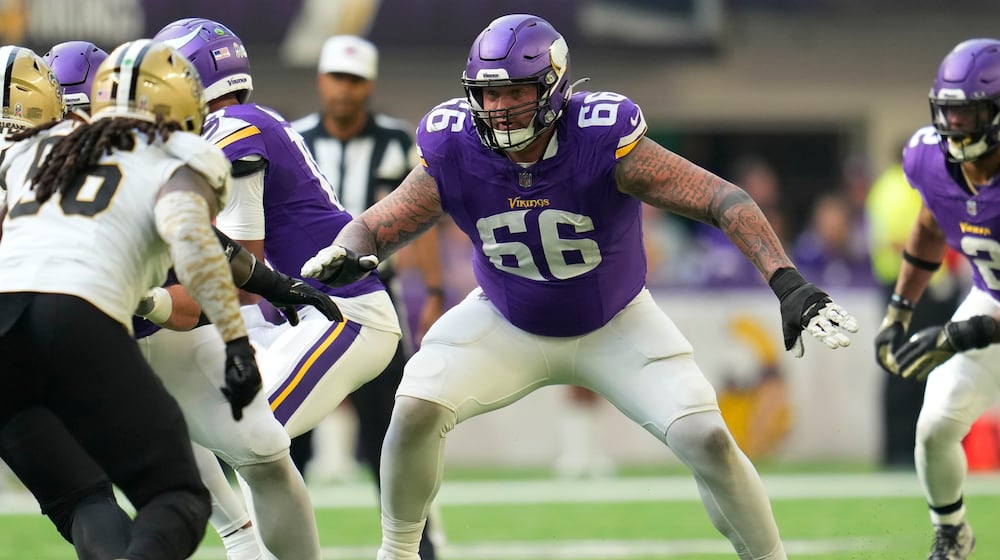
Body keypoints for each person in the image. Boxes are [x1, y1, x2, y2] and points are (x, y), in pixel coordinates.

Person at [302, 14, 859, 560]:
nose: (499, 108)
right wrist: (349, 249)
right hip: (505, 317)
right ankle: (398, 553)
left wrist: (788, 282)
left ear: (553, 87)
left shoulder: (599, 137)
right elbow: (379, 222)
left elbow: (722, 198)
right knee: (414, 407)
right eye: (489, 93)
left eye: (516, 91)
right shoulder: (455, 144)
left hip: (615, 320)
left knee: (708, 439)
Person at [43, 36, 345, 560]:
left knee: (261, 448)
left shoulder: (135, 160)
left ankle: (251, 545)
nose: (79, 129)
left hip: (141, 328)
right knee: (107, 493)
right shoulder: (30, 169)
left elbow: (198, 256)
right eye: (69, 117)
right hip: (74, 343)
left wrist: (266, 285)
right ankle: (238, 539)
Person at [153, 16, 404, 556]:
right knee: (182, 410)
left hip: (343, 313)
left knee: (253, 435)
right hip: (290, 316)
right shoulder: (230, 127)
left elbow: (242, 259)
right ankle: (244, 545)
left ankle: (251, 548)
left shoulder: (235, 126)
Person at [0, 40, 255, 560]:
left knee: (82, 498)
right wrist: (236, 341)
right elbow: (190, 235)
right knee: (179, 498)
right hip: (74, 310)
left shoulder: (39, 146)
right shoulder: (181, 154)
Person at [291, 34, 444, 558]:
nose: (345, 89)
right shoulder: (296, 138)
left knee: (392, 434)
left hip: (379, 302)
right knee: (287, 438)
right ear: (322, 80)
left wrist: (435, 291)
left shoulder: (397, 141)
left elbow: (422, 217)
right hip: (303, 303)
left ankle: (419, 547)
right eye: (338, 77)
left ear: (369, 85)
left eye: (355, 80)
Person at [876, 38, 1000, 560]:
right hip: (990, 296)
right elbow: (930, 224)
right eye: (949, 111)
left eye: (969, 112)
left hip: (987, 312)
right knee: (935, 426)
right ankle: (952, 534)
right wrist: (899, 311)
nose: (956, 125)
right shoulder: (930, 159)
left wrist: (961, 333)